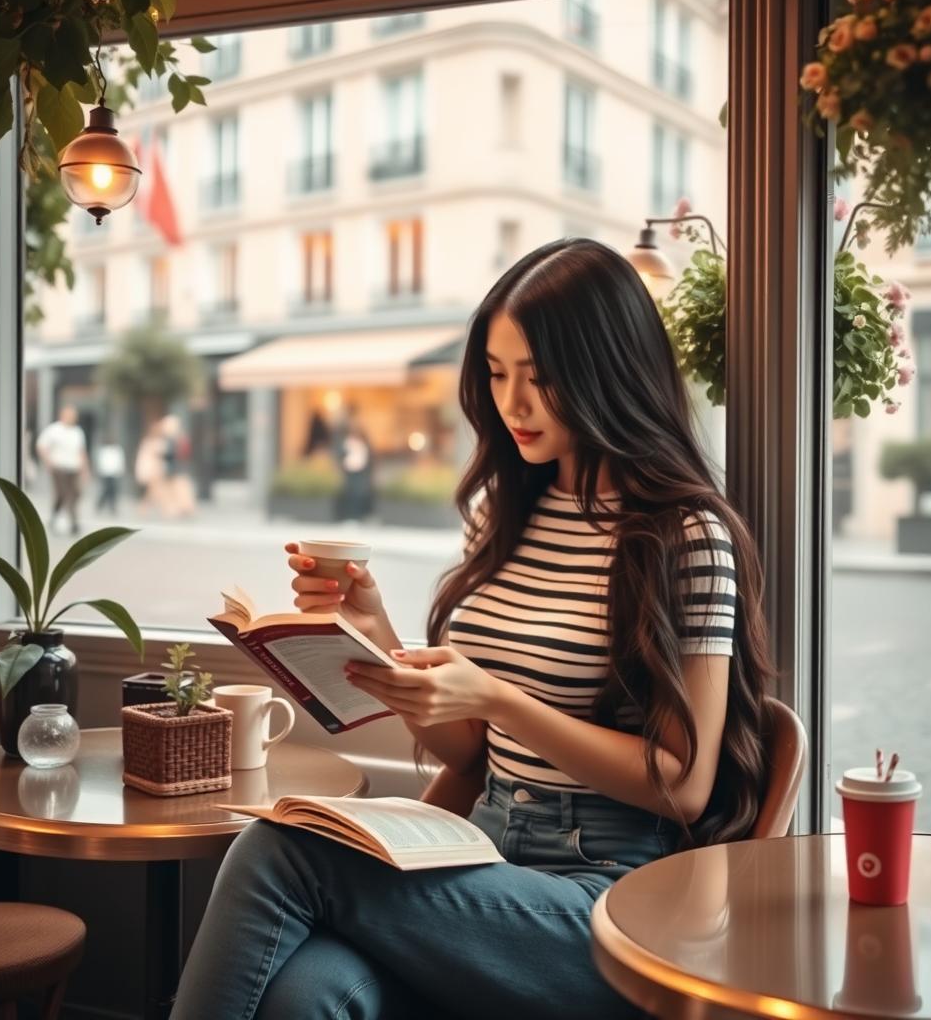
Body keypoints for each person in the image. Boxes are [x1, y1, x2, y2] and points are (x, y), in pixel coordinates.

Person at [171, 238, 774, 1020]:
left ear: (608, 371)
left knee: (275, 850)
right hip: (481, 852)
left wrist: (499, 700)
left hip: (611, 897)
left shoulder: (686, 536)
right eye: (496, 374)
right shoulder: (507, 511)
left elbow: (685, 783)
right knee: (303, 995)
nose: (512, 404)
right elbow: (470, 751)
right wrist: (377, 635)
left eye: (540, 377)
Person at [35, 405, 88, 535]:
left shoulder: (77, 432)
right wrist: (48, 462)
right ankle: (74, 523)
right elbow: (41, 446)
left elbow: (81, 451)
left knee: (75, 493)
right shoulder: (54, 430)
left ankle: (54, 516)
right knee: (65, 493)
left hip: (73, 468)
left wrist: (85, 468)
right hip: (59, 467)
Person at [336, 413, 375, 522]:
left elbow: (369, 456)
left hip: (361, 471)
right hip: (348, 471)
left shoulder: (364, 441)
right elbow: (340, 454)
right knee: (349, 493)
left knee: (359, 494)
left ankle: (358, 516)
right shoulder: (345, 441)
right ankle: (348, 516)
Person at [94, 432, 126, 516]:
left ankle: (112, 506)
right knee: (106, 489)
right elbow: (101, 461)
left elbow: (120, 461)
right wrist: (100, 471)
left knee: (113, 490)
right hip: (105, 473)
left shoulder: (117, 450)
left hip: (114, 473)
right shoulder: (104, 450)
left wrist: (120, 471)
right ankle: (100, 504)